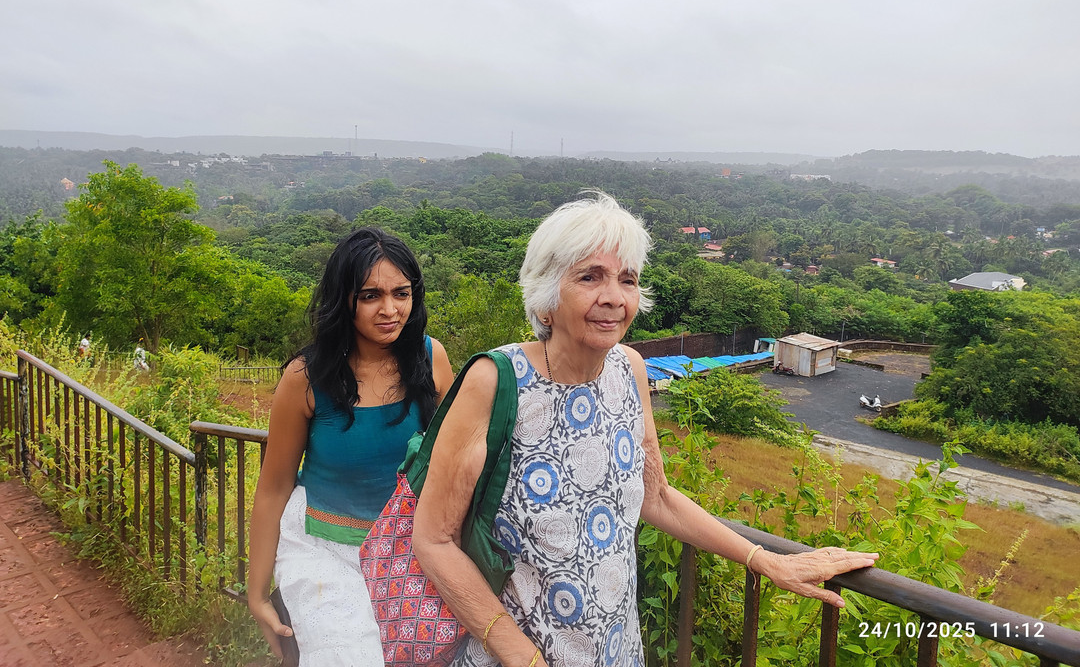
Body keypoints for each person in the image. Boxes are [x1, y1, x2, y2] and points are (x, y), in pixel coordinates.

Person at [412, 193, 878, 667]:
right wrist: (521, 657)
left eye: (627, 279)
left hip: (616, 650)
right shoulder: (495, 382)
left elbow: (654, 496)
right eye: (589, 276)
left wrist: (766, 560)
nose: (613, 296)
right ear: (546, 296)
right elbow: (434, 539)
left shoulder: (629, 370)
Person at [248, 227, 454, 666]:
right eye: (370, 296)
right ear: (344, 299)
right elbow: (272, 489)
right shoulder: (307, 378)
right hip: (325, 548)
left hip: (408, 547)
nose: (390, 310)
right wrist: (256, 593)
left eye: (401, 293)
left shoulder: (429, 357)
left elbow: (452, 458)